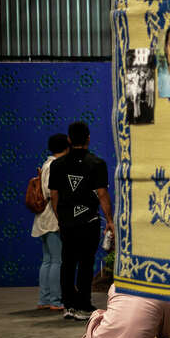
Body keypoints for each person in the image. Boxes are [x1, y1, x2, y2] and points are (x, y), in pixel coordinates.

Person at [48, 121, 111, 321]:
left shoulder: (57, 165)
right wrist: (109, 220)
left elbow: (54, 194)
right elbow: (102, 194)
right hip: (89, 221)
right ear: (88, 138)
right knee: (86, 263)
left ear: (69, 139)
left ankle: (68, 305)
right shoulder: (97, 163)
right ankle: (83, 306)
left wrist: (61, 216)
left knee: (67, 262)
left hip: (67, 222)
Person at [32, 133, 69, 312]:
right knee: (57, 260)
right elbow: (52, 192)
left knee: (48, 259)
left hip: (43, 217)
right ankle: (55, 300)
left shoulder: (47, 164)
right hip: (53, 215)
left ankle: (44, 299)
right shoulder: (55, 165)